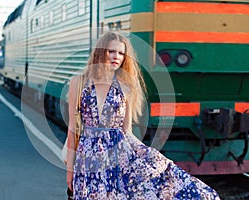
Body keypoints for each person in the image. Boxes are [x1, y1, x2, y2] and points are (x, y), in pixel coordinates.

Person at [66, 31, 220, 199]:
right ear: (100, 51)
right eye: (111, 51)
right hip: (88, 156)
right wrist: (70, 171)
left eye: (121, 53)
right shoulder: (79, 83)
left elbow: (127, 132)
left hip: (118, 155)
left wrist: (149, 155)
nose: (116, 56)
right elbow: (73, 129)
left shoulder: (125, 87)